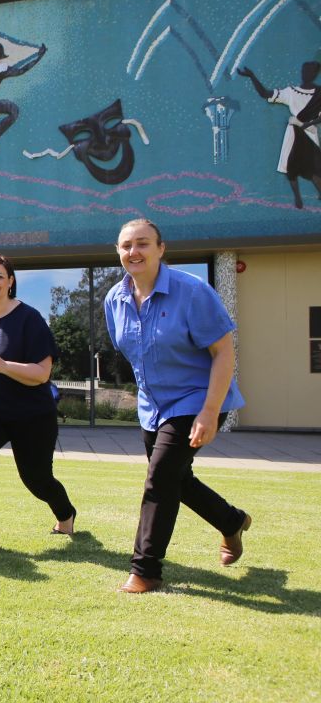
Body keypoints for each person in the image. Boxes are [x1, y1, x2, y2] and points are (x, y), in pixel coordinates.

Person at [104, 219, 249, 593]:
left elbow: (223, 353)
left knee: (159, 479)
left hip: (197, 400)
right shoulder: (114, 300)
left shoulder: (192, 291)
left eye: (142, 243)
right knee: (177, 481)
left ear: (160, 249)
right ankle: (231, 522)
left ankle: (145, 570)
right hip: (153, 407)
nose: (133, 252)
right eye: (125, 246)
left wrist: (210, 410)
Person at [0, 253, 76, 556]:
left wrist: (4, 366)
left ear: (11, 281)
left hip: (31, 413)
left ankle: (65, 514)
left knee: (36, 479)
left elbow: (42, 374)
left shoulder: (29, 318)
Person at [237, 62, 321, 209]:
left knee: (314, 167)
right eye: (304, 70)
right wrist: (252, 76)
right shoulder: (291, 92)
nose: (306, 73)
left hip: (307, 132)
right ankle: (297, 198)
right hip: (295, 132)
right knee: (292, 164)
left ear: (315, 74)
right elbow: (265, 93)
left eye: (309, 71)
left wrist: (306, 124)